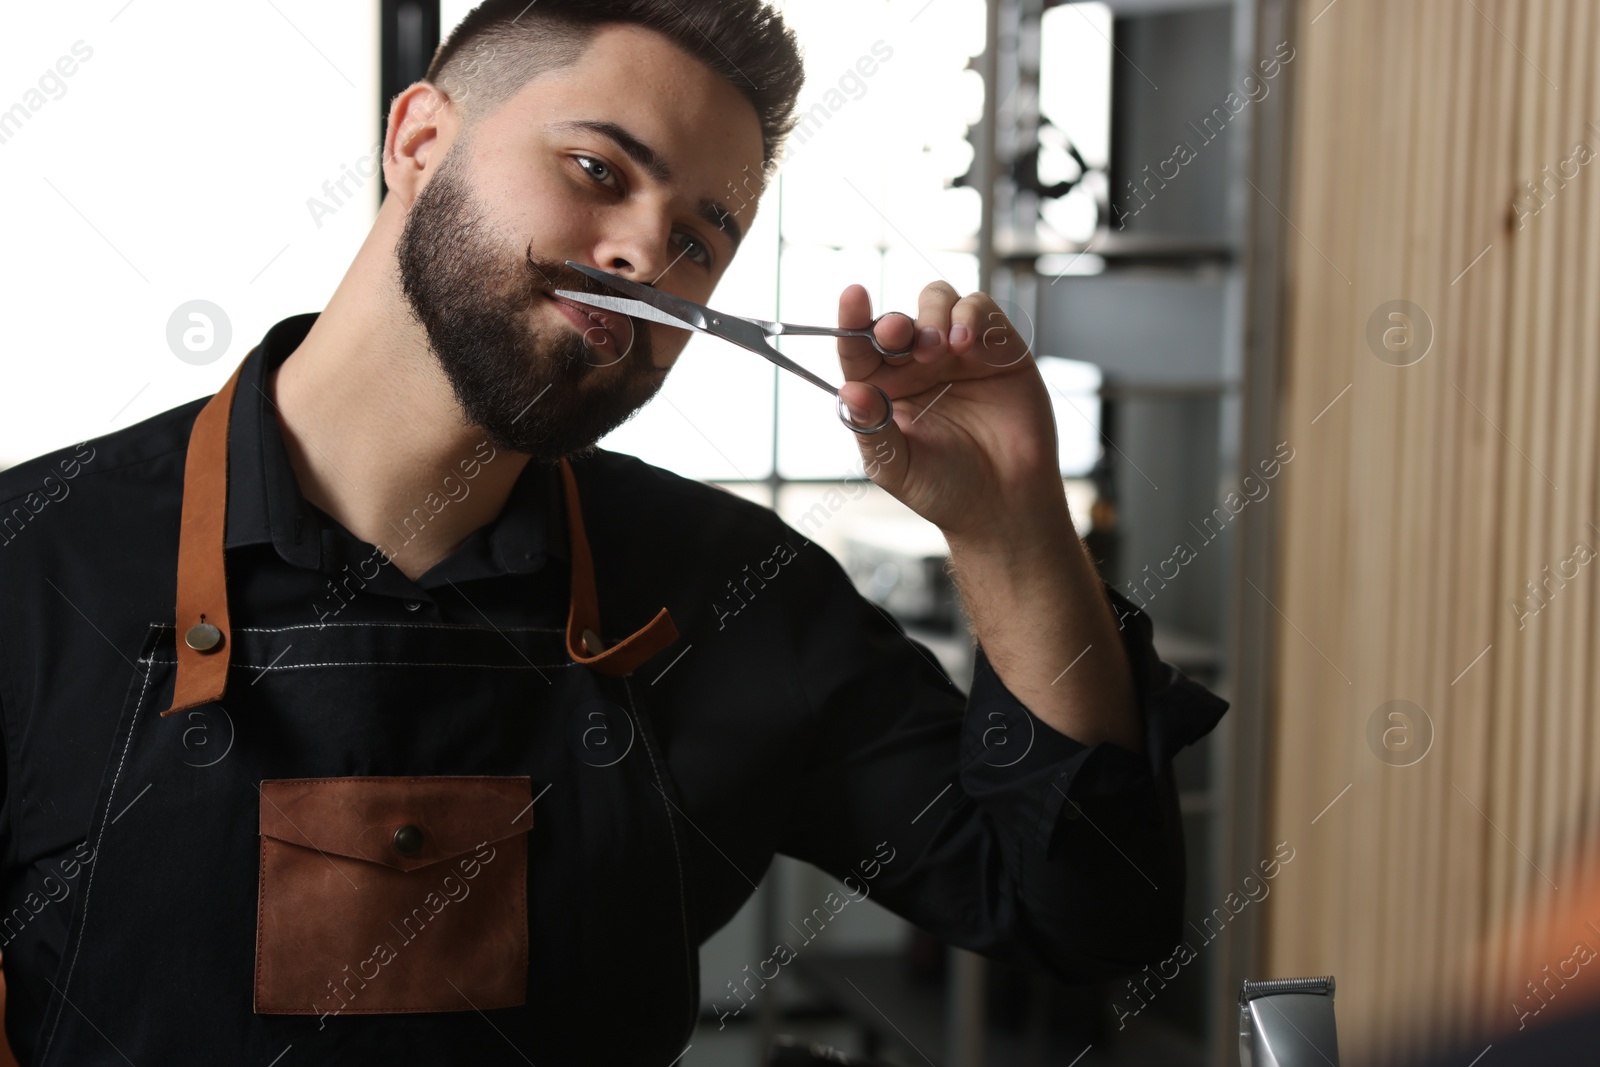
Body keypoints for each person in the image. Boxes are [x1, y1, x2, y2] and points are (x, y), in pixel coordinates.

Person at [0, 1, 1228, 1062]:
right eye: (599, 170)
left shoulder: (737, 594)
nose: (648, 251)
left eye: (701, 238)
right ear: (420, 140)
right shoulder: (34, 564)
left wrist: (1011, 523)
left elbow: (1085, 912)